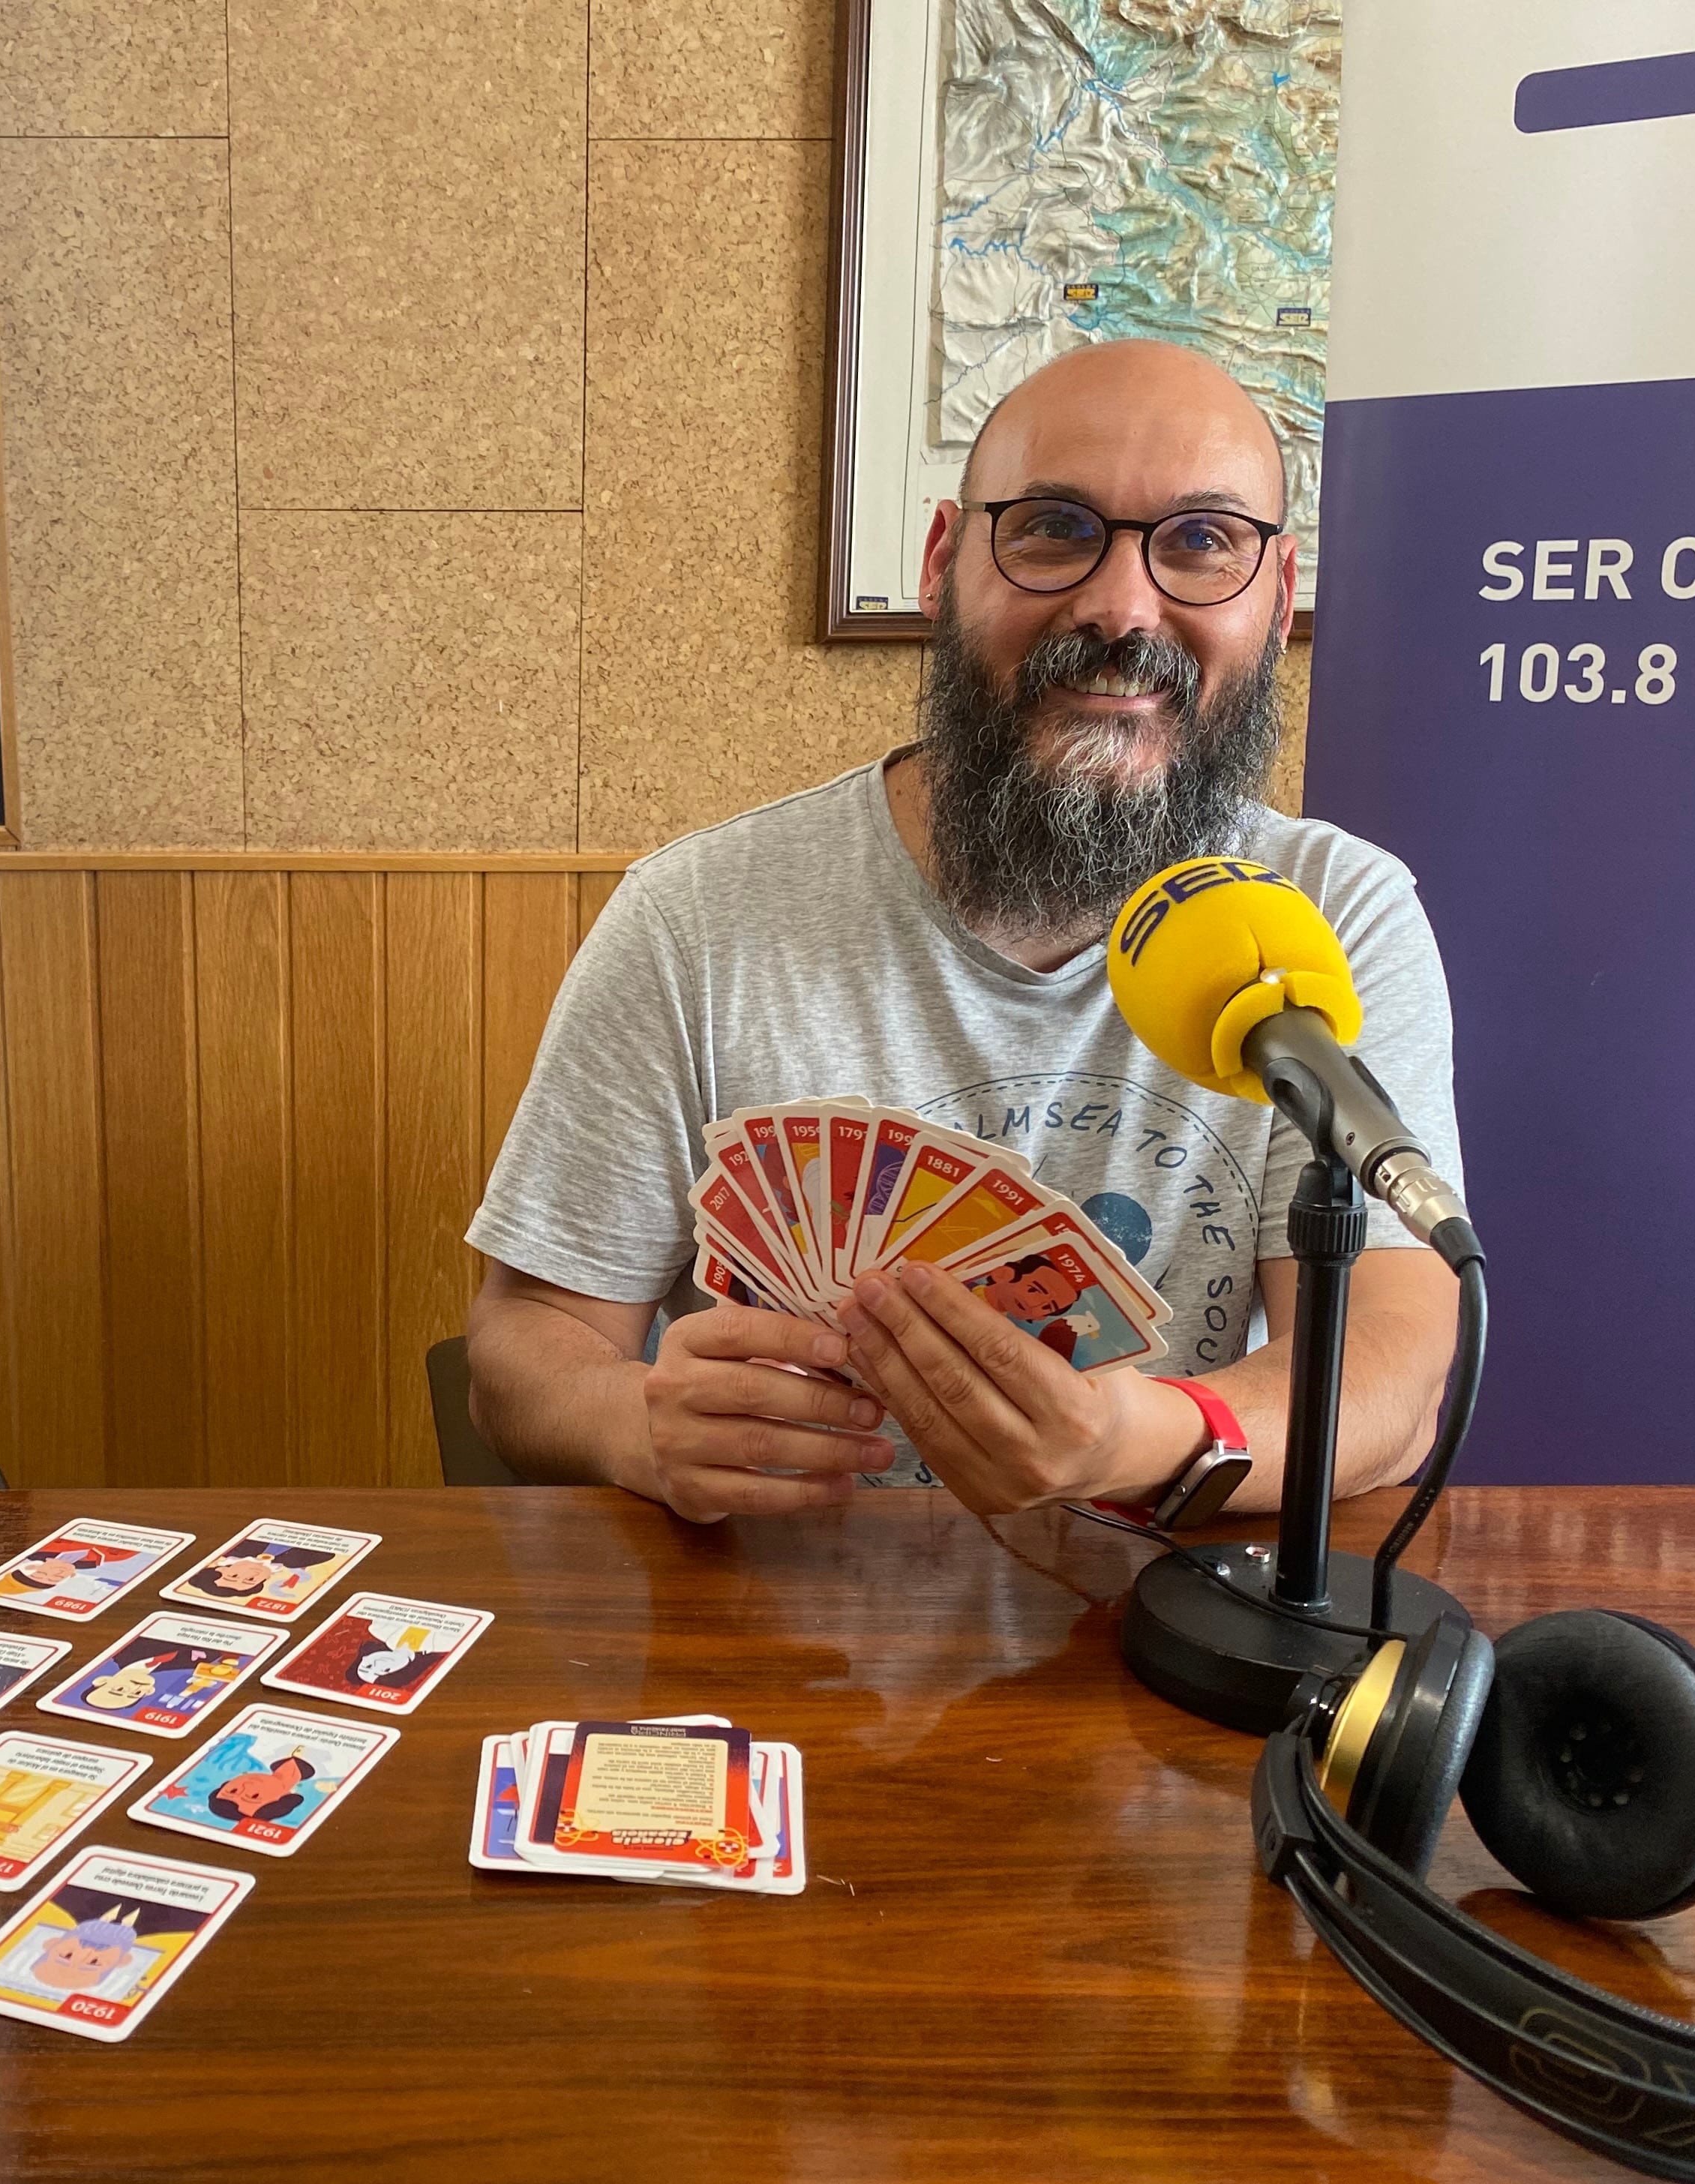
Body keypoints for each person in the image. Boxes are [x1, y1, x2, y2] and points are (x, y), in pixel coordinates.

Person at [463, 339, 1462, 1523]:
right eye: (1052, 526)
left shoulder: (1335, 914)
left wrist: (1142, 1442)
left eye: (1201, 542)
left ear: (1278, 590)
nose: (1121, 605)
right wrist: (635, 1422)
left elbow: (1392, 1370)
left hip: (1167, 1629)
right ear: (946, 561)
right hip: (777, 1636)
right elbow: (525, 1342)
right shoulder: (697, 920)